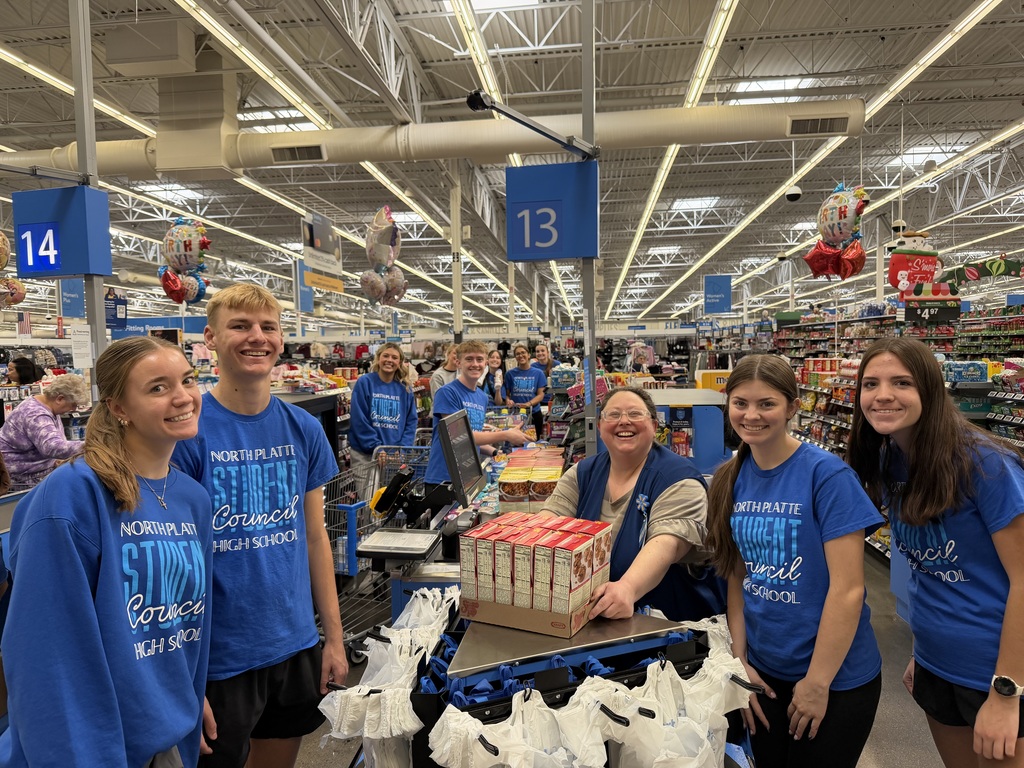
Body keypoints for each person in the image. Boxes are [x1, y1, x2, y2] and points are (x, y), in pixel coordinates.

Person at [0, 336, 213, 767]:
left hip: (164, 736)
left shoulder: (192, 497)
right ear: (118, 408)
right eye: (157, 387)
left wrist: (188, 697)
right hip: (89, 748)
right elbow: (47, 659)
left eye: (187, 380)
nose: (182, 397)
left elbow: (187, 623)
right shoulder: (71, 497)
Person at [171, 283, 346, 768]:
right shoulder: (186, 432)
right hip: (218, 655)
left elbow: (316, 538)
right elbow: (173, 562)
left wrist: (332, 638)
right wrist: (181, 672)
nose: (257, 337)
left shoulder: (304, 429)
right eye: (240, 326)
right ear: (209, 338)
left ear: (282, 338)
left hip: (292, 643)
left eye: (268, 327)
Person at [848, 338, 1024, 766]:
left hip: (995, 671)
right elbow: (935, 571)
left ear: (929, 388)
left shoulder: (985, 463)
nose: (884, 394)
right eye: (871, 383)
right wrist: (922, 653)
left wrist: (1007, 690)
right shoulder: (892, 458)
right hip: (936, 662)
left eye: (901, 382)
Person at [706, 354, 882, 768]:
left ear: (792, 406)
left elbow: (848, 589)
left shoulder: (828, 477)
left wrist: (818, 683)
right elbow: (738, 578)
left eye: (766, 404)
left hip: (836, 678)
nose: (752, 415)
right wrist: (740, 663)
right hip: (765, 674)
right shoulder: (728, 478)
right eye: (740, 403)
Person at [538, 386, 724, 622]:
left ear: (655, 427)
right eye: (613, 415)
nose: (623, 422)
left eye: (635, 414)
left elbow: (667, 544)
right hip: (592, 615)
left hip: (665, 623)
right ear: (599, 427)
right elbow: (547, 522)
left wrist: (627, 588)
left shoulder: (678, 479)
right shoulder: (583, 473)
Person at [423, 341, 528, 504]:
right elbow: (460, 436)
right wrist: (506, 434)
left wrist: (496, 453)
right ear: (458, 362)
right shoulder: (447, 393)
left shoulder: (482, 397)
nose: (475, 364)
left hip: (468, 477)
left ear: (486, 363)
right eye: (469, 359)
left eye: (479, 359)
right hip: (443, 478)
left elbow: (473, 437)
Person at [0, 373, 90, 488]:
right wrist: (91, 445)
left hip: (36, 475)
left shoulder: (48, 407)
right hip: (21, 480)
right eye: (73, 405)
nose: (73, 409)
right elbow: (52, 447)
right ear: (60, 399)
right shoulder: (36, 414)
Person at [348, 342, 418, 467]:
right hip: (366, 455)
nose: (389, 360)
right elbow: (359, 420)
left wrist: (403, 449)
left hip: (395, 456)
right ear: (378, 358)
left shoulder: (405, 389)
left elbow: (411, 422)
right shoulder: (365, 382)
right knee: (369, 487)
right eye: (385, 356)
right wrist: (377, 448)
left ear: (400, 362)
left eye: (394, 357)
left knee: (391, 487)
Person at [501, 343, 547, 438]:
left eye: (523, 353)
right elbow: (507, 394)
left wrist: (528, 404)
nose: (521, 355)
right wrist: (508, 400)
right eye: (517, 354)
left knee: (534, 442)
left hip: (534, 413)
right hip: (516, 415)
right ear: (515, 357)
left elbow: (541, 395)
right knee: (516, 443)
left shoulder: (539, 373)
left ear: (529, 355)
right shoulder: (510, 374)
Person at [429, 343, 460, 414]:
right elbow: (439, 399)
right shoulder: (438, 375)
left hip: (457, 414)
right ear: (448, 355)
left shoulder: (461, 373)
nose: (457, 356)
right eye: (455, 353)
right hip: (441, 414)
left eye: (460, 354)